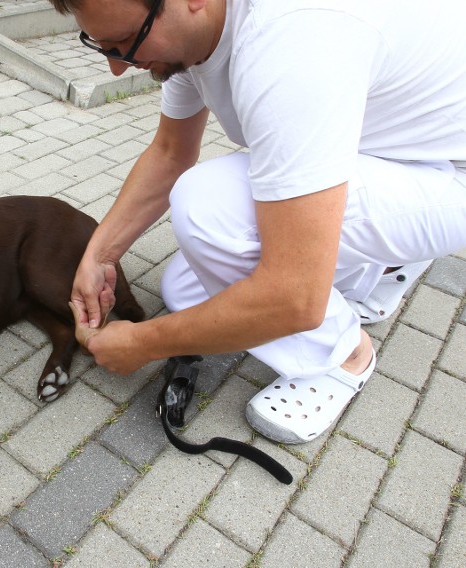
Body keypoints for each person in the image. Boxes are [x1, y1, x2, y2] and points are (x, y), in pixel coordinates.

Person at [48, 0, 466, 444]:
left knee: (207, 211)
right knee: (184, 290)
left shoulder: (292, 40)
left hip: (447, 172)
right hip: (398, 144)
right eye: (103, 46)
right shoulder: (191, 34)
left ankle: (342, 355)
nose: (119, 68)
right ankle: (382, 266)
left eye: (127, 41)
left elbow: (294, 295)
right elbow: (171, 152)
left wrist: (144, 345)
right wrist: (99, 254)